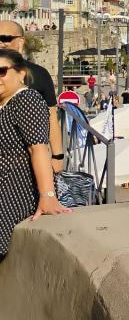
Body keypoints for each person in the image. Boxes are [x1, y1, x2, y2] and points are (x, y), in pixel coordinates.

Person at [0, 48, 70, 259]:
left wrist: (48, 196)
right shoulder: (6, 103)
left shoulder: (26, 100)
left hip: (13, 194)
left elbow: (38, 148)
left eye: (2, 71)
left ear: (21, 73)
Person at [0, 23, 63, 174]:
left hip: (26, 164)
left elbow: (51, 116)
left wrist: (58, 156)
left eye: (6, 38)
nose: (0, 42)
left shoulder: (39, 75)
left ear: (20, 42)